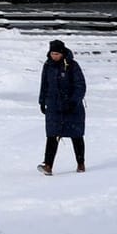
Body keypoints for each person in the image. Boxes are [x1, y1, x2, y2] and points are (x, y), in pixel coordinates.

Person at [38, 40, 86, 174]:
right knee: (52, 136)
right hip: (54, 106)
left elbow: (80, 85)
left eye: (57, 54)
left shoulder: (73, 66)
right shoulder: (48, 65)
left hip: (72, 107)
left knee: (76, 136)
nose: (55, 56)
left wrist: (74, 101)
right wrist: (42, 101)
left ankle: (80, 163)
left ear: (62, 53)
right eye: (53, 53)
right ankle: (48, 165)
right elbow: (44, 85)